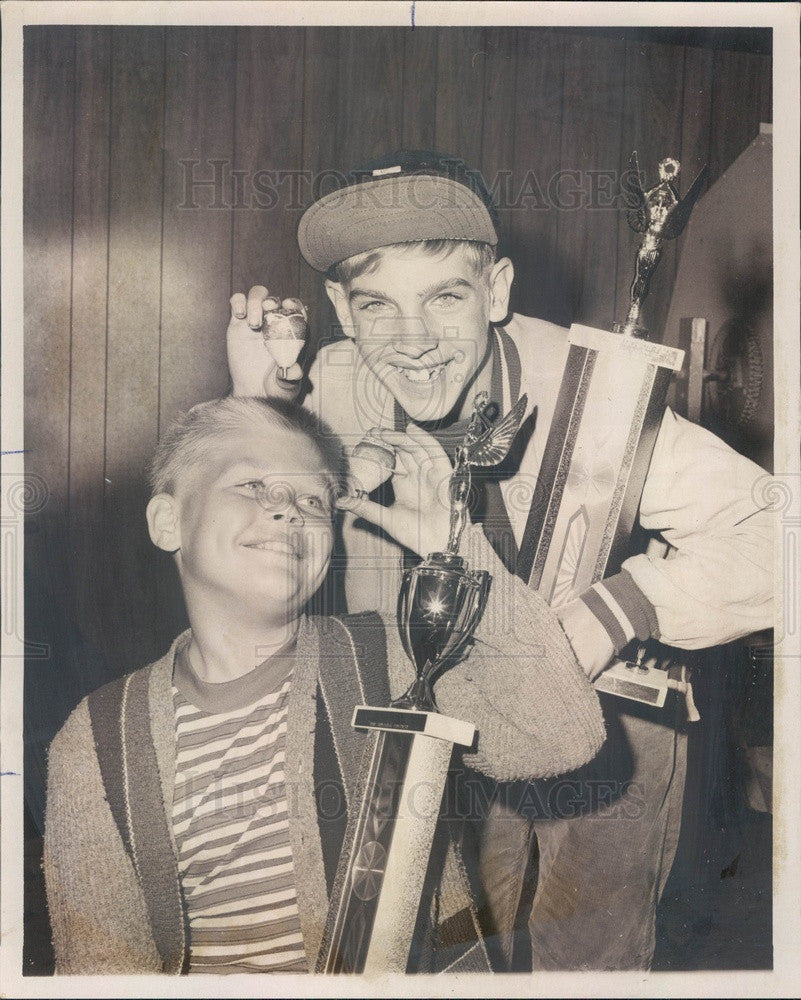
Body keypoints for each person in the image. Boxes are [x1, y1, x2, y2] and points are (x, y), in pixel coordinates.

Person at [225, 149, 774, 970]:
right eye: (377, 304)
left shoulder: (600, 400)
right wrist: (254, 406)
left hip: (608, 724)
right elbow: (242, 546)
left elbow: (780, 538)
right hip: (450, 718)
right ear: (341, 305)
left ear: (497, 290)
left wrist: (615, 609)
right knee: (451, 943)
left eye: (444, 297)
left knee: (585, 955)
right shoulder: (326, 387)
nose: (411, 342)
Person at [43, 395, 606, 975]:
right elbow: (101, 970)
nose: (290, 509)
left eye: (315, 499)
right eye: (252, 485)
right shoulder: (96, 739)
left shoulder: (388, 656)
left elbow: (563, 735)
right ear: (168, 523)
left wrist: (457, 545)